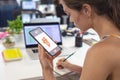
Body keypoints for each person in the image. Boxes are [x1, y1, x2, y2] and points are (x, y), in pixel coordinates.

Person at [38, 0, 120, 80]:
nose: (70, 20)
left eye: (69, 14)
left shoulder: (100, 51)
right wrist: (71, 67)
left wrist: (47, 70)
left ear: (86, 10)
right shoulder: (114, 38)